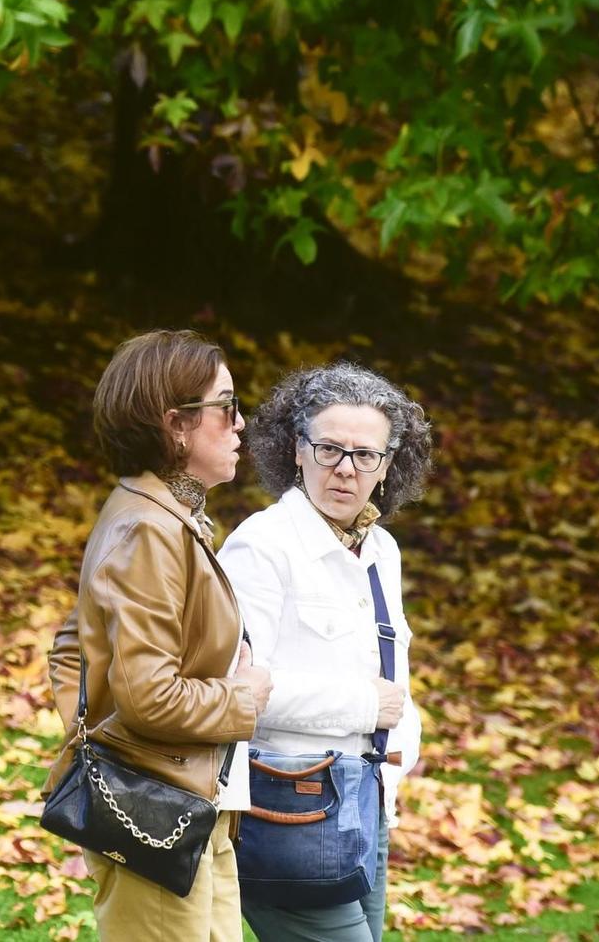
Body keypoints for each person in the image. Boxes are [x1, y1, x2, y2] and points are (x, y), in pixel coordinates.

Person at [47, 329, 274, 942]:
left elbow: (71, 647)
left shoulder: (167, 517)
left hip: (187, 808)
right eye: (226, 406)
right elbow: (148, 696)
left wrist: (98, 733)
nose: (241, 422)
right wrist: (242, 697)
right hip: (154, 810)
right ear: (176, 425)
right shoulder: (148, 528)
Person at [216, 362, 433, 942]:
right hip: (286, 810)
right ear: (296, 450)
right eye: (329, 448)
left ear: (387, 465)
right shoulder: (261, 545)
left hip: (366, 806)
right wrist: (365, 707)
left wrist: (399, 751)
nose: (346, 468)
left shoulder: (382, 549)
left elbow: (393, 676)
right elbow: (235, 691)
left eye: (366, 455)